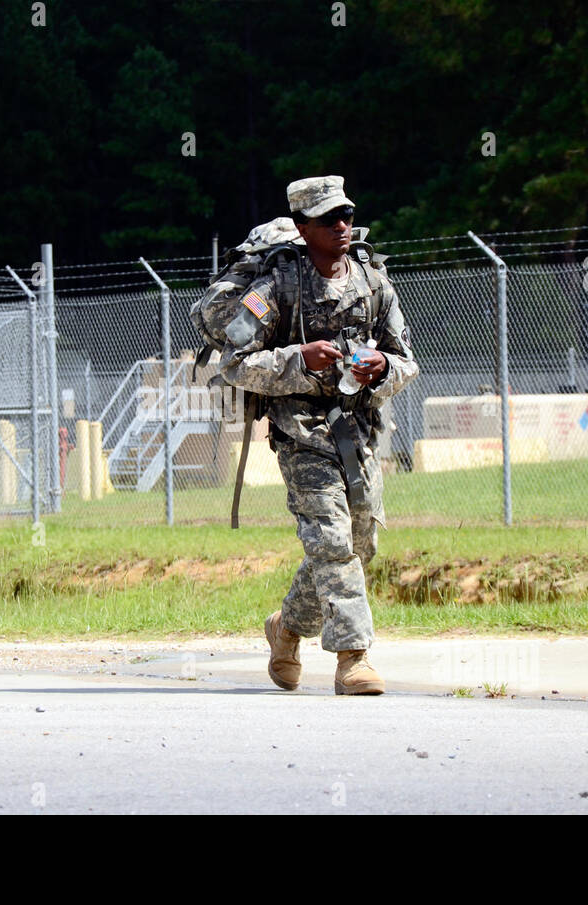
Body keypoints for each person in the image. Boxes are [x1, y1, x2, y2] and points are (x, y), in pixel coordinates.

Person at [219, 176, 420, 694]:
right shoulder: (277, 288)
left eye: (347, 215)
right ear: (303, 228)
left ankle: (285, 629)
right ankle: (353, 657)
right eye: (329, 219)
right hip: (301, 430)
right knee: (330, 541)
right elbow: (235, 363)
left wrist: (381, 366)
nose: (342, 226)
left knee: (359, 543)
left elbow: (408, 362)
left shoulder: (374, 283)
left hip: (360, 431)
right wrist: (297, 359)